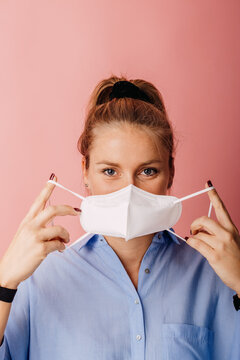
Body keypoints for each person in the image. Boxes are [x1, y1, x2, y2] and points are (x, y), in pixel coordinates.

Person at [0, 75, 239, 360]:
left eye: (147, 171)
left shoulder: (214, 274)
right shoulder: (38, 278)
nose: (129, 193)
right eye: (110, 171)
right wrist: (4, 283)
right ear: (86, 172)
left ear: (170, 171)